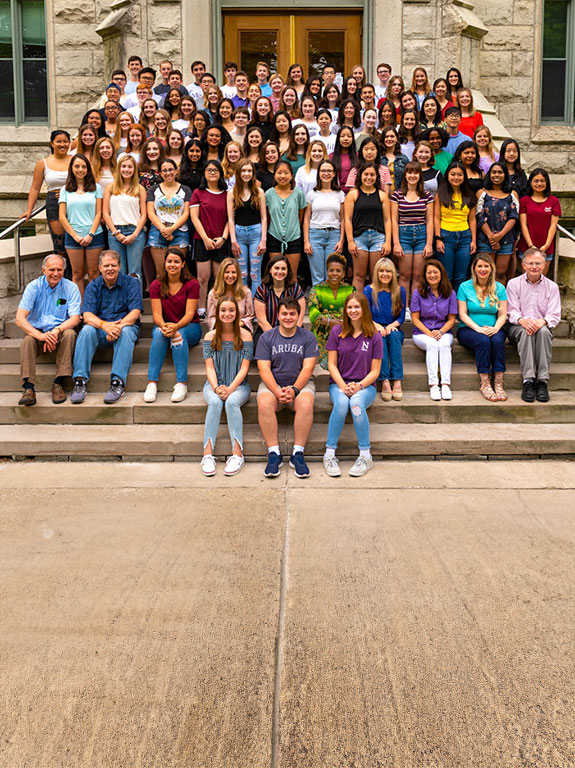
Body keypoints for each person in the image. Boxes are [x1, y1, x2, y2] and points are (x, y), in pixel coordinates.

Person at [256, 296, 319, 479]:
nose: (288, 317)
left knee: (306, 403)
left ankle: (297, 454)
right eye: (284, 313)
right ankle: (274, 454)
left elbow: (308, 368)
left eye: (292, 313)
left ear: (299, 315)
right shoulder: (267, 337)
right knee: (264, 403)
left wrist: (294, 390)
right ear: (278, 315)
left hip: (300, 384)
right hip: (273, 384)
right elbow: (263, 368)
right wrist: (276, 391)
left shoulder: (307, 337)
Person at [71, 250, 143, 404]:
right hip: (102, 329)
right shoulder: (93, 286)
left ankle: (117, 383)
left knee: (126, 332)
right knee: (87, 330)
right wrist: (105, 326)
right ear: (100, 267)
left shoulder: (131, 283)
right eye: (106, 265)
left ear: (119, 267)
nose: (110, 268)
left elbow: (135, 313)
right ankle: (80, 381)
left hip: (125, 327)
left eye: (113, 265)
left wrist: (116, 328)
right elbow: (88, 315)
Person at [324, 292, 383, 477]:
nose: (353, 310)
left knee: (356, 404)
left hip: (365, 387)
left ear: (364, 309)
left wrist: (358, 386)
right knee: (342, 403)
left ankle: (365, 455)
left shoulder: (374, 334)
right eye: (350, 307)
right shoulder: (337, 332)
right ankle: (329, 453)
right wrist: (343, 386)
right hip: (338, 384)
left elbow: (375, 371)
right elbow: (331, 365)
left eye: (357, 307)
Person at [15, 254, 81, 406]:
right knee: (27, 340)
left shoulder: (71, 287)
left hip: (59, 332)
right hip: (38, 333)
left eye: (59, 269)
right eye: (52, 269)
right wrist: (41, 335)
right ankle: (28, 388)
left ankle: (59, 382)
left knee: (71, 333)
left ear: (64, 270)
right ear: (43, 270)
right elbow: (19, 318)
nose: (56, 273)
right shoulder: (34, 287)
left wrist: (56, 331)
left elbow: (75, 318)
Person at [201, 297, 253, 476]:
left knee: (231, 402)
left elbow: (245, 368)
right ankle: (207, 453)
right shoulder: (210, 336)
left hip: (239, 386)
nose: (227, 314)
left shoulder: (245, 335)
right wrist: (216, 388)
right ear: (217, 313)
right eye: (223, 310)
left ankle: (237, 454)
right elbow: (209, 367)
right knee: (215, 403)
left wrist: (230, 389)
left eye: (231, 310)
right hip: (214, 384)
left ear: (237, 313)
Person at [143, 247, 201, 403]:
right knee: (157, 333)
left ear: (183, 264)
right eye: (169, 261)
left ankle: (181, 383)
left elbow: (190, 314)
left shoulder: (192, 284)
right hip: (165, 325)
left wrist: (175, 327)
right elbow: (156, 315)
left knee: (178, 335)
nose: (172, 265)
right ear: (164, 263)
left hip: (190, 327)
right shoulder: (156, 284)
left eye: (176, 262)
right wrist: (164, 326)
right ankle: (152, 383)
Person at [506, 247, 562, 403]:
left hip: (541, 326)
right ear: (523, 265)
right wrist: (523, 321)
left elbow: (554, 314)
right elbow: (511, 310)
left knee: (543, 332)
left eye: (538, 263)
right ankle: (528, 380)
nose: (534, 267)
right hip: (517, 326)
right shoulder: (513, 284)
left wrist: (542, 322)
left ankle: (542, 381)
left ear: (544, 265)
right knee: (526, 332)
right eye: (530, 263)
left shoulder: (552, 287)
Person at [456, 253, 508, 401]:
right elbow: (462, 314)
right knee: (483, 341)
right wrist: (478, 329)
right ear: (474, 268)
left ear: (491, 268)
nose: (483, 269)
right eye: (480, 266)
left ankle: (498, 382)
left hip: (494, 328)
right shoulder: (464, 287)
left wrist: (496, 328)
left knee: (498, 341)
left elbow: (503, 314)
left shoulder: (499, 288)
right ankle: (485, 382)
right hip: (468, 329)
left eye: (486, 266)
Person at [410, 259, 457, 400]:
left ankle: (445, 384)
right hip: (422, 333)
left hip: (444, 331)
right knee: (432, 344)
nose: (432, 275)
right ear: (424, 275)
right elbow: (415, 319)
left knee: (443, 345)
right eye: (429, 272)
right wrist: (429, 333)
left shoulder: (450, 293)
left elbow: (451, 320)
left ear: (441, 274)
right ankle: (433, 385)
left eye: (435, 272)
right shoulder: (418, 293)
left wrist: (441, 332)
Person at [59, 154, 104, 296]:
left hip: (94, 236)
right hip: (73, 237)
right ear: (71, 168)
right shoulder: (65, 190)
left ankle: (93, 307)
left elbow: (98, 213)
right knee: (77, 274)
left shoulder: (96, 188)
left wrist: (90, 234)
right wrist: (75, 236)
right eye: (77, 166)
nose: (80, 169)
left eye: (83, 166)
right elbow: (61, 216)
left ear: (88, 169)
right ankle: (79, 310)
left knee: (94, 273)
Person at [391, 160, 434, 308]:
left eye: (415, 172)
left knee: (417, 275)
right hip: (404, 234)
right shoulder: (397, 195)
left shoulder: (427, 196)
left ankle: (414, 306)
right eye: (409, 172)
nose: (412, 175)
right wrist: (396, 243)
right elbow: (393, 220)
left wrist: (429, 243)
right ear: (405, 175)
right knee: (404, 275)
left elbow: (429, 220)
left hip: (422, 234)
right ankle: (404, 307)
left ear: (420, 176)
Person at [190, 159, 230, 316]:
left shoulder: (227, 194)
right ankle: (201, 308)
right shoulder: (198, 193)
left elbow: (229, 219)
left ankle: (218, 308)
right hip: (202, 240)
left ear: (220, 173)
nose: (212, 173)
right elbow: (195, 218)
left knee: (219, 277)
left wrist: (224, 238)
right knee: (203, 278)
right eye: (209, 170)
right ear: (204, 174)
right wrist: (206, 239)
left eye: (215, 170)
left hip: (221, 240)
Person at [23, 130, 72, 259]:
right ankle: (62, 276)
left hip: (74, 202)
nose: (62, 144)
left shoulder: (75, 161)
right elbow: (35, 188)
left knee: (75, 243)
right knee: (59, 243)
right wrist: (29, 209)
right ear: (52, 143)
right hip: (54, 204)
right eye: (59, 141)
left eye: (65, 141)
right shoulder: (43, 163)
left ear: (69, 143)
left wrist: (66, 191)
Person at [344, 162, 392, 292]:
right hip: (359, 238)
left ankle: (374, 308)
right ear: (360, 176)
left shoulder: (382, 195)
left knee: (376, 276)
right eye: (366, 174)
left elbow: (388, 220)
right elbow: (347, 219)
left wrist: (388, 242)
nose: (369, 177)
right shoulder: (353, 194)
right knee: (359, 276)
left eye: (372, 174)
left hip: (378, 238)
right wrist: (350, 241)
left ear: (377, 177)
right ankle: (356, 305)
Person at [364, 257, 406, 401]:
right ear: (376, 272)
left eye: (388, 271)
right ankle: (385, 381)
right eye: (381, 271)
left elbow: (401, 318)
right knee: (379, 337)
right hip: (374, 329)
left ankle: (397, 380)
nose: (385, 274)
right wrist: (378, 327)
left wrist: (390, 326)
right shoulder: (369, 290)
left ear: (393, 273)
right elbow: (366, 315)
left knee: (394, 336)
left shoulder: (400, 291)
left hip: (393, 329)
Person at [102, 155, 147, 282]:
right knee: (117, 271)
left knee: (134, 272)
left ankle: (135, 302)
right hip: (115, 232)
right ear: (118, 168)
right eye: (124, 166)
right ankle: (120, 302)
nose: (126, 169)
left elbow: (144, 214)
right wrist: (115, 232)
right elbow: (105, 213)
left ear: (134, 169)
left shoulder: (140, 189)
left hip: (135, 232)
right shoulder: (110, 188)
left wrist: (135, 234)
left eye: (130, 167)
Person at [434, 161, 477, 291]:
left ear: (464, 177)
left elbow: (473, 219)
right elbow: (436, 217)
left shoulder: (469, 195)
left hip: (465, 237)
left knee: (461, 276)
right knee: (446, 274)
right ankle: (447, 306)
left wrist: (473, 240)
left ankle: (459, 308)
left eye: (460, 175)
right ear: (447, 175)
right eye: (453, 174)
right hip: (446, 236)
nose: (456, 178)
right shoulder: (440, 194)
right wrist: (438, 238)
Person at [146, 157, 192, 276]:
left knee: (177, 272)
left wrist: (171, 229)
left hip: (180, 231)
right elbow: (151, 213)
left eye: (171, 169)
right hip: (157, 231)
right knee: (161, 273)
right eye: (164, 171)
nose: (168, 173)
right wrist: (163, 229)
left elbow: (186, 213)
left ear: (176, 171)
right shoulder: (153, 190)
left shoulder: (185, 190)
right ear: (160, 173)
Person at [303, 159, 345, 286]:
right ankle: (317, 305)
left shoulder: (340, 194)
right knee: (317, 276)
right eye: (323, 171)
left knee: (332, 274)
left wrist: (341, 241)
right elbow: (306, 219)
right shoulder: (311, 194)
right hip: (315, 235)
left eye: (329, 171)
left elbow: (343, 219)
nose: (326, 173)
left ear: (333, 174)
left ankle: (331, 304)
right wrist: (306, 241)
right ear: (319, 174)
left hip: (334, 235)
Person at [227, 159, 267, 294]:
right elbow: (230, 219)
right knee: (242, 274)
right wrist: (233, 240)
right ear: (238, 173)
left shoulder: (259, 191)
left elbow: (264, 217)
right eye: (243, 171)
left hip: (256, 233)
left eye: (249, 171)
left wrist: (263, 239)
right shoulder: (232, 193)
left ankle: (257, 306)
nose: (246, 174)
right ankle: (244, 306)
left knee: (255, 274)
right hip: (239, 234)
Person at [476, 162, 520, 283]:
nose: (497, 175)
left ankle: (499, 300)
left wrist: (499, 236)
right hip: (486, 239)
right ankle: (484, 301)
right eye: (494, 172)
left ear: (505, 175)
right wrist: (491, 237)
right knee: (485, 274)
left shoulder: (512, 194)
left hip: (506, 239)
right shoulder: (482, 193)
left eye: (500, 172)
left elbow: (513, 217)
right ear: (489, 174)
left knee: (500, 274)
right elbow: (479, 216)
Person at [265, 160, 307, 278]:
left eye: (286, 173)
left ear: (291, 175)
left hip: (294, 237)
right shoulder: (268, 194)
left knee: (292, 276)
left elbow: (300, 216)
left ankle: (293, 296)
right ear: (274, 175)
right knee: (276, 275)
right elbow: (267, 217)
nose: (282, 176)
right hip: (274, 236)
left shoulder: (298, 194)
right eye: (279, 173)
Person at [518, 168, 561, 276]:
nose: (539, 184)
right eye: (536, 181)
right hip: (526, 246)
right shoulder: (524, 201)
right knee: (526, 280)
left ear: (547, 182)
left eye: (542, 181)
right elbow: (523, 225)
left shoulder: (554, 201)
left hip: (546, 247)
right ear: (530, 183)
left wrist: (546, 245)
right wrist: (531, 245)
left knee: (541, 279)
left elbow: (553, 225)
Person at [254, 254, 306, 332]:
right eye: (276, 268)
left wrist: (291, 335)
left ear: (287, 271)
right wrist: (276, 338)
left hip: (293, 331)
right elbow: (262, 321)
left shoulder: (295, 288)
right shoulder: (262, 290)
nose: (280, 272)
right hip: (268, 331)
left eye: (283, 269)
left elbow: (300, 318)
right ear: (270, 270)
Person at [206, 256, 255, 332]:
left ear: (238, 274)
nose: (230, 276)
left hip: (240, 330)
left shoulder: (246, 292)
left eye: (233, 272)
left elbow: (250, 316)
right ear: (221, 273)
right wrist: (224, 326)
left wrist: (239, 324)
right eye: (227, 272)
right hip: (220, 330)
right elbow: (211, 318)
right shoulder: (213, 293)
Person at [380, 127, 409, 192]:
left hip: (399, 196)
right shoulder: (378, 158)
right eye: (386, 137)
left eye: (392, 136)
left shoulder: (404, 159)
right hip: (381, 195)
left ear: (396, 139)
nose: (389, 139)